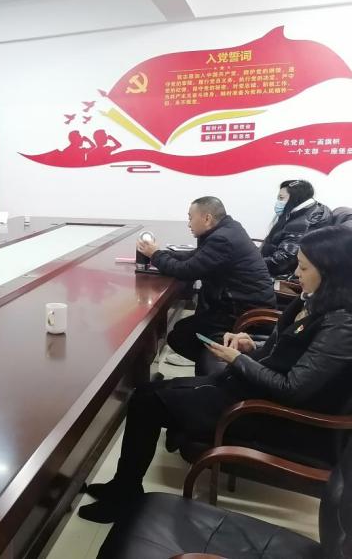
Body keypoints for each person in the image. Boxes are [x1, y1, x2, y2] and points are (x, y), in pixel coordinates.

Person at [80, 225, 352, 524]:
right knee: (144, 393)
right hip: (252, 389)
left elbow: (292, 388)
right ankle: (124, 486)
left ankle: (124, 496)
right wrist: (251, 345)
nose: (296, 273)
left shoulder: (341, 325)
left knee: (146, 405)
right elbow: (284, 349)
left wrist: (239, 360)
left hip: (276, 416)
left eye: (304, 267)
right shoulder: (312, 299)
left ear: (332, 272)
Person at [136, 197, 275, 374]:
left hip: (242, 313)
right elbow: (196, 257)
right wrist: (161, 254)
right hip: (239, 304)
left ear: (207, 218)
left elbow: (186, 271)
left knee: (181, 335)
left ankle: (226, 369)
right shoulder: (229, 229)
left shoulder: (221, 239)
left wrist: (155, 255)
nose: (188, 224)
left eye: (190, 218)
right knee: (181, 330)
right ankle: (215, 363)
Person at [260, 179, 332, 277]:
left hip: (276, 274)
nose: (278, 202)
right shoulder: (316, 209)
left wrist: (252, 263)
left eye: (281, 198)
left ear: (295, 198)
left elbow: (284, 260)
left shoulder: (302, 224)